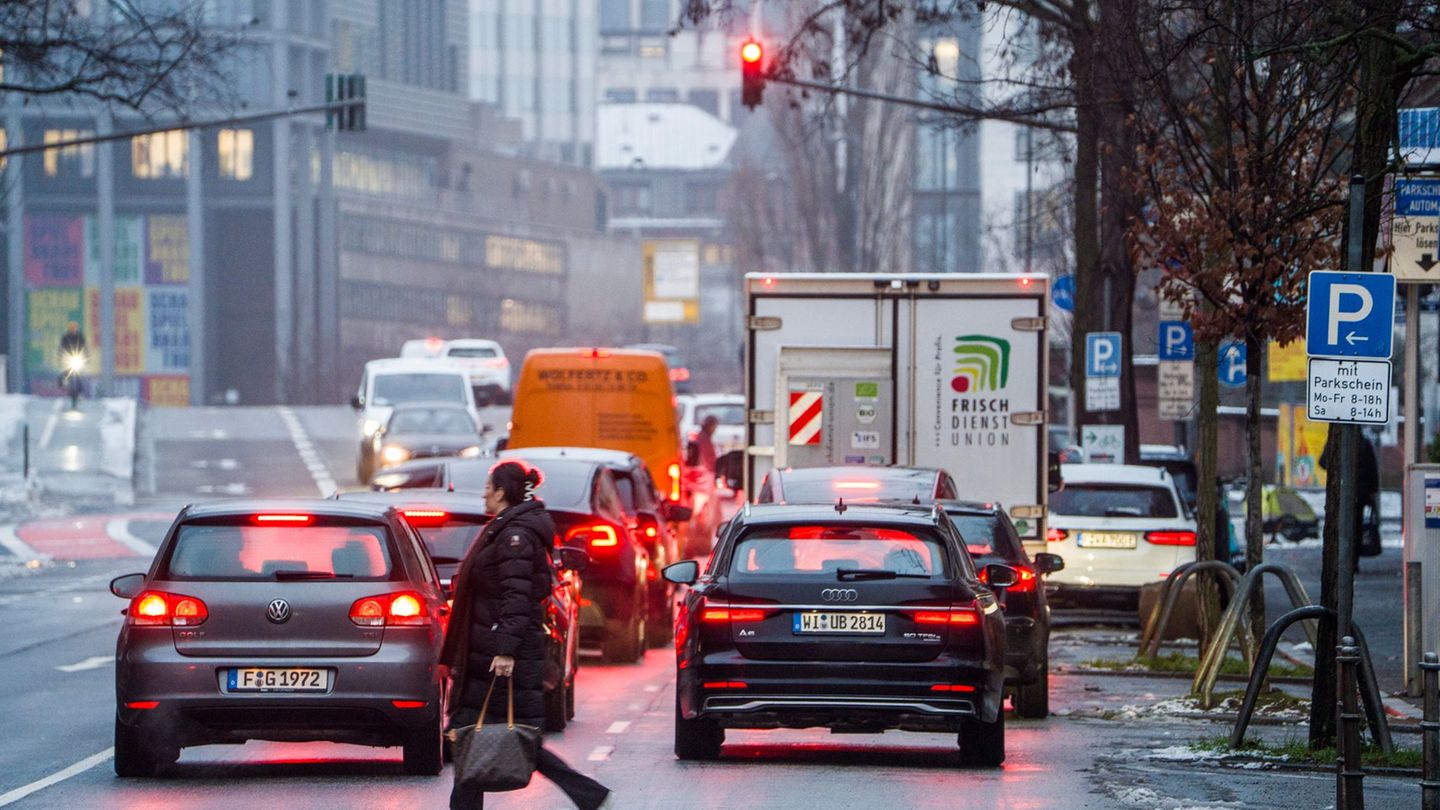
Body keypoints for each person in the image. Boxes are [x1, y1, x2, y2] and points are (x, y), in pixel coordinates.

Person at [441, 460, 612, 810]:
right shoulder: (507, 528)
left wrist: (504, 650)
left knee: (498, 738)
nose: (484, 494)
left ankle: (592, 797)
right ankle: (591, 797)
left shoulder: (515, 536)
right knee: (476, 736)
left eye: (489, 487)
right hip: (489, 652)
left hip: (502, 658)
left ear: (502, 492)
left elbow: (517, 597)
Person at [1318, 431, 1379, 573]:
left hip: (1340, 491)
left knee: (1339, 527)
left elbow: (1322, 462)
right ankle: (1352, 562)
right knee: (1355, 528)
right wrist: (1371, 491)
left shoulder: (1336, 442)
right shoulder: (1364, 444)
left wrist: (1337, 469)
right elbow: (1372, 470)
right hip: (1360, 494)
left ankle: (1339, 560)